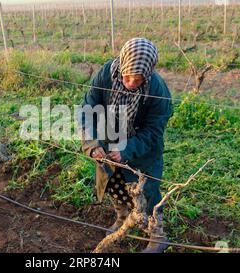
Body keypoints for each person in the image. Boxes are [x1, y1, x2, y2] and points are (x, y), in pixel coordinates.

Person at [80, 38, 173, 253]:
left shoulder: (158, 91)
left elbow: (153, 132)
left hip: (142, 148)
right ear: (121, 64)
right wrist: (93, 143)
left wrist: (126, 150)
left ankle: (158, 235)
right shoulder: (106, 74)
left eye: (138, 79)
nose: (130, 82)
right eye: (127, 75)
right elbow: (88, 109)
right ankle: (122, 218)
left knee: (147, 190)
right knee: (114, 182)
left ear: (148, 74)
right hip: (109, 139)